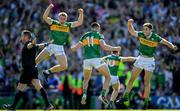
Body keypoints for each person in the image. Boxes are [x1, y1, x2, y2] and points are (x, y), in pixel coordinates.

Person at [117, 19, 178, 109]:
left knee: (146, 82)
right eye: (143, 29)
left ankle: (146, 101)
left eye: (146, 29)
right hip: (141, 58)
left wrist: (172, 46)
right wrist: (129, 24)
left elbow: (166, 42)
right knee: (131, 80)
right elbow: (132, 31)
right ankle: (125, 97)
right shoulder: (141, 34)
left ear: (150, 30)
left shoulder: (155, 37)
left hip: (149, 61)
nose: (144, 31)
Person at [71, 22, 121, 106]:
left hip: (86, 60)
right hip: (96, 59)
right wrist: (115, 48)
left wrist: (72, 47)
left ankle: (84, 94)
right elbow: (104, 47)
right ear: (98, 28)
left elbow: (75, 48)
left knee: (86, 79)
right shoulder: (99, 35)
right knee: (108, 77)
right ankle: (102, 95)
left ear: (91, 28)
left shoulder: (85, 35)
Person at [2, 30, 54, 110]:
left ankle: (13, 107)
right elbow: (40, 45)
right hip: (33, 69)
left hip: (28, 70)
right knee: (38, 86)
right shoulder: (34, 45)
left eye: (22, 36)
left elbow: (30, 45)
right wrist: (47, 43)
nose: (21, 37)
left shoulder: (28, 44)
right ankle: (48, 105)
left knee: (20, 88)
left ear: (26, 36)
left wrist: (32, 43)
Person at [35, 4, 84, 79]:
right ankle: (28, 74)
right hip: (51, 46)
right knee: (36, 61)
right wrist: (49, 7)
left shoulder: (67, 25)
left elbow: (79, 22)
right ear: (58, 18)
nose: (62, 20)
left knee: (64, 66)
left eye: (64, 19)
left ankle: (47, 72)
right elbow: (44, 17)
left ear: (66, 19)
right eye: (61, 18)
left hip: (59, 47)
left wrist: (81, 13)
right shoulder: (53, 23)